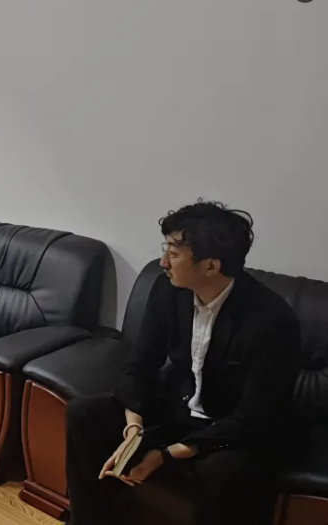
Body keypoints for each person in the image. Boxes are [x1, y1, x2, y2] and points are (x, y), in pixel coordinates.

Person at [64, 200, 301, 525]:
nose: (163, 262)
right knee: (84, 413)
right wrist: (133, 428)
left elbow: (254, 418)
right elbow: (140, 364)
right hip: (179, 405)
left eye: (173, 254)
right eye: (166, 249)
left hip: (231, 426)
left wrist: (164, 454)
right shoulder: (168, 289)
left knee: (223, 472)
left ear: (211, 266)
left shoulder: (272, 321)